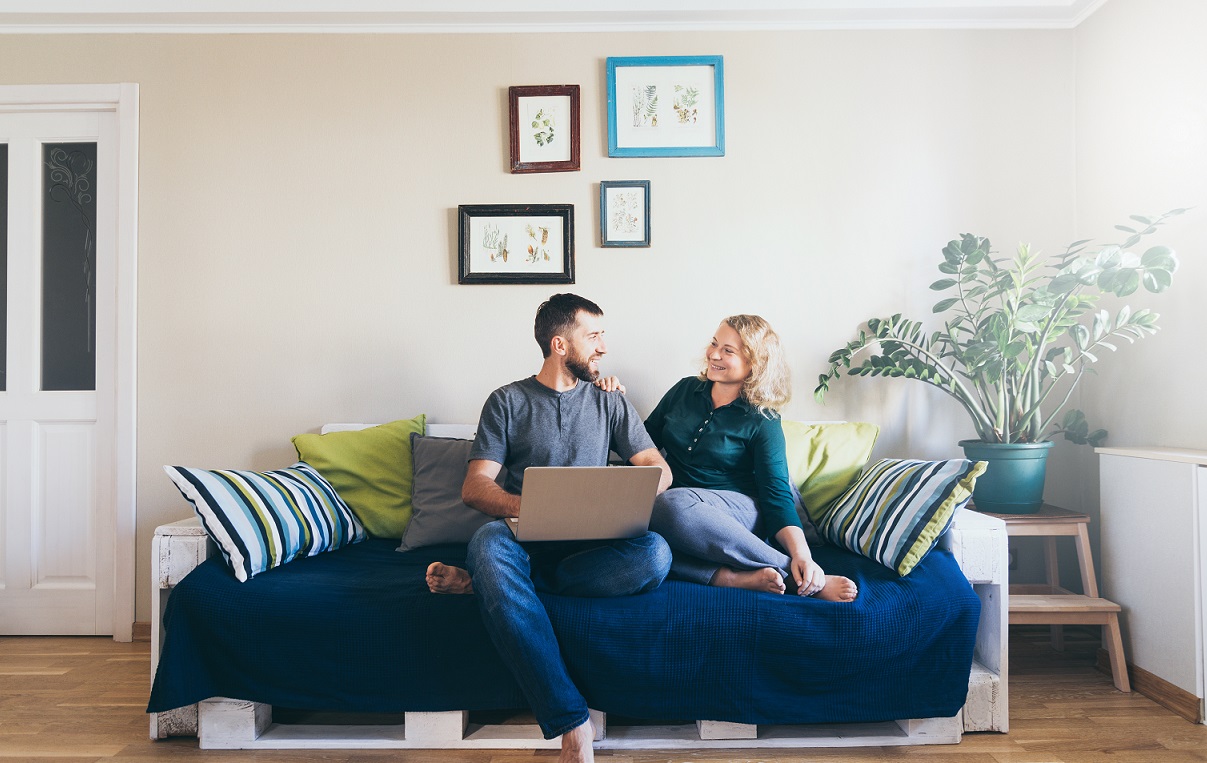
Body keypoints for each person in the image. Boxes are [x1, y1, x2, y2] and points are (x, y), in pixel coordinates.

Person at [426, 293, 672, 763]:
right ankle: (572, 723)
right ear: (560, 344)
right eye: (593, 336)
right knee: (487, 543)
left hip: (593, 546)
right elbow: (475, 487)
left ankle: (490, 586)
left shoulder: (610, 400)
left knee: (656, 552)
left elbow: (659, 470)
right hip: (523, 535)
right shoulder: (507, 401)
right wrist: (535, 506)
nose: (603, 347)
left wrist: (625, 494)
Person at [643, 314, 857, 601]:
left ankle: (798, 577)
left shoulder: (763, 420)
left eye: (727, 351)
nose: (713, 355)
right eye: (714, 344)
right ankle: (727, 578)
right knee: (642, 537)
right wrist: (610, 397)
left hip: (736, 512)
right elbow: (641, 444)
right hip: (678, 515)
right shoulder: (684, 390)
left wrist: (802, 556)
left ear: (755, 363)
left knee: (671, 504)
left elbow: (776, 494)